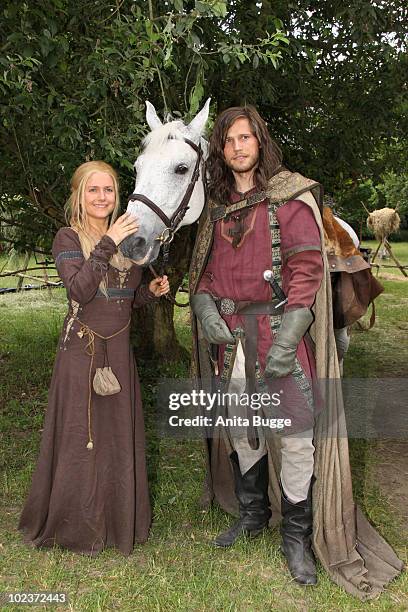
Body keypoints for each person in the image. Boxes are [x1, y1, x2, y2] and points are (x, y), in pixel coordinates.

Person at [188, 107, 403, 598]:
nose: (238, 147)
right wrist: (203, 306)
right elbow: (201, 272)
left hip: (279, 333)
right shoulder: (218, 209)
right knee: (243, 430)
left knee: (299, 434)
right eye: (229, 141)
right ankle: (253, 515)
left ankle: (297, 536)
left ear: (260, 142)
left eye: (246, 138)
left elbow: (306, 271)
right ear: (220, 150)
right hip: (234, 342)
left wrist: (288, 338)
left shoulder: (288, 196)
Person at [19, 160, 169, 555]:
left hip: (118, 351)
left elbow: (122, 299)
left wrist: (149, 291)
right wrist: (109, 240)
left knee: (118, 436)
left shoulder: (132, 238)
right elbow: (80, 292)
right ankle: (73, 527)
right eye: (93, 190)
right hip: (80, 351)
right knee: (79, 436)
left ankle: (119, 523)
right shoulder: (67, 237)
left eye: (109, 191)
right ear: (79, 196)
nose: (102, 198)